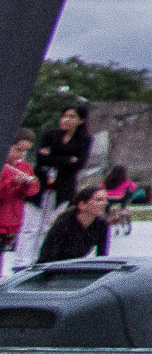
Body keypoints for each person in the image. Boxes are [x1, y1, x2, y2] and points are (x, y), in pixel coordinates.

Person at [34, 104, 91, 248]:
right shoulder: (50, 136)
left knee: (51, 224)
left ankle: (43, 258)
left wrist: (53, 157)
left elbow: (78, 164)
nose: (66, 119)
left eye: (71, 116)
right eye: (64, 116)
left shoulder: (84, 140)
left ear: (81, 120)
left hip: (64, 186)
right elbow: (41, 159)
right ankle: (23, 262)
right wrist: (66, 159)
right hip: (42, 184)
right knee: (33, 226)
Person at [37, 184, 110, 263]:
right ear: (82, 205)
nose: (105, 203)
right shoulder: (64, 224)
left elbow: (102, 257)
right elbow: (48, 256)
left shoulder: (101, 225)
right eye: (99, 200)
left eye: (105, 200)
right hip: (53, 267)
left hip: (73, 267)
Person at [2, 135, 40, 269]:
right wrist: (13, 182)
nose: (22, 154)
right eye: (19, 150)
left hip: (12, 221)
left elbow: (32, 191)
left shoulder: (24, 166)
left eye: (25, 151)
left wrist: (27, 184)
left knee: (2, 253)